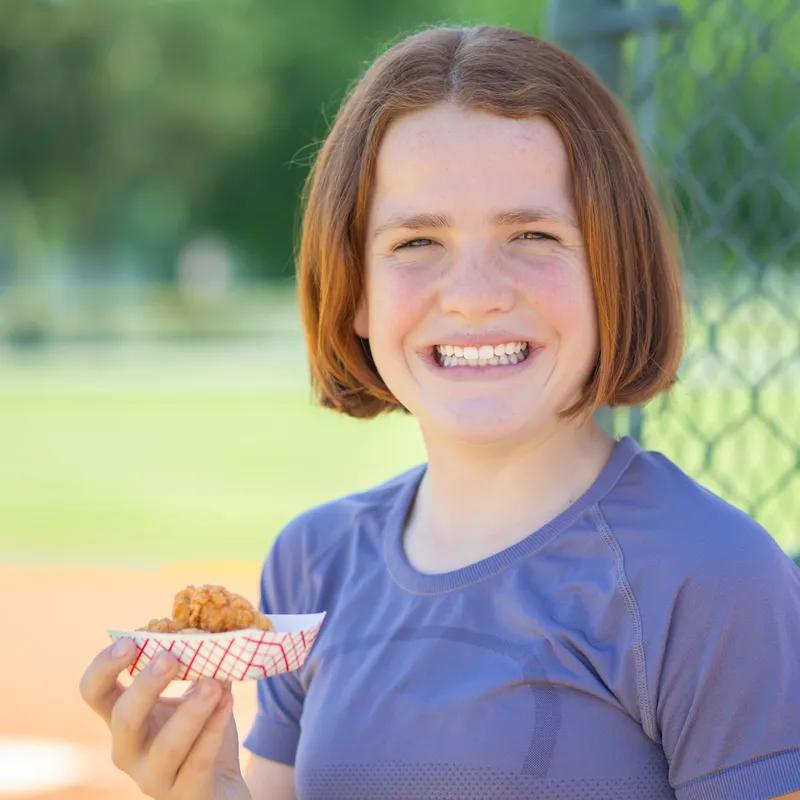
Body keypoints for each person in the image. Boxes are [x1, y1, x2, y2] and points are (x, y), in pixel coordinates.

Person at [79, 24, 800, 800]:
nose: (475, 293)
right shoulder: (312, 564)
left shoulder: (713, 579)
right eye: (418, 241)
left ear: (613, 271)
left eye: (532, 234)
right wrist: (212, 791)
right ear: (353, 291)